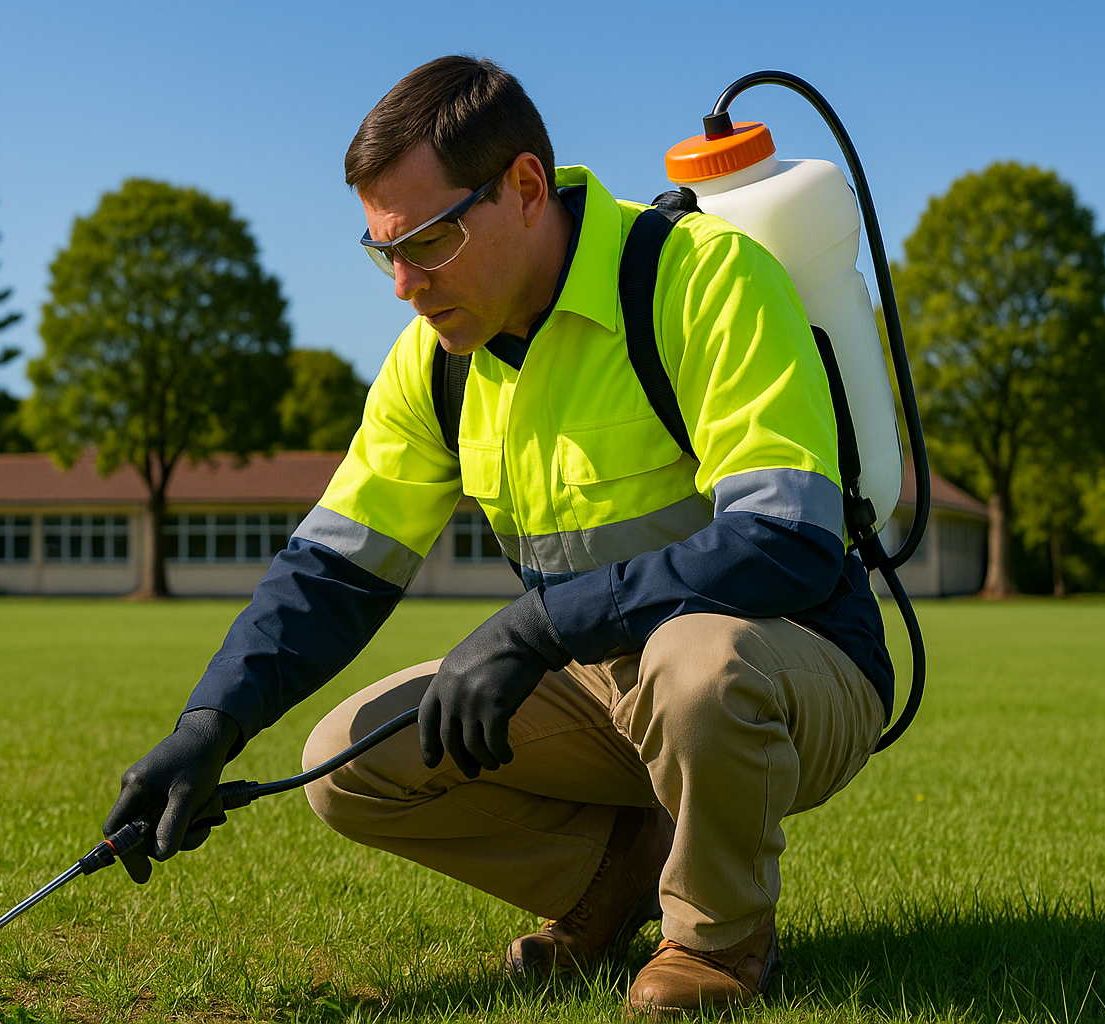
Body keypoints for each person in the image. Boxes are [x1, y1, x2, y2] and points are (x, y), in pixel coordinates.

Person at [104, 55, 892, 1015]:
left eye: (428, 241)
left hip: (795, 662)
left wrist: (537, 627)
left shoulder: (703, 282)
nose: (403, 284)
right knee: (352, 759)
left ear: (523, 188)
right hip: (602, 674)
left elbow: (788, 539)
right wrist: (208, 726)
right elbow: (333, 568)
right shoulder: (434, 363)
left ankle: (716, 948)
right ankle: (618, 881)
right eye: (383, 250)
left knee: (697, 663)